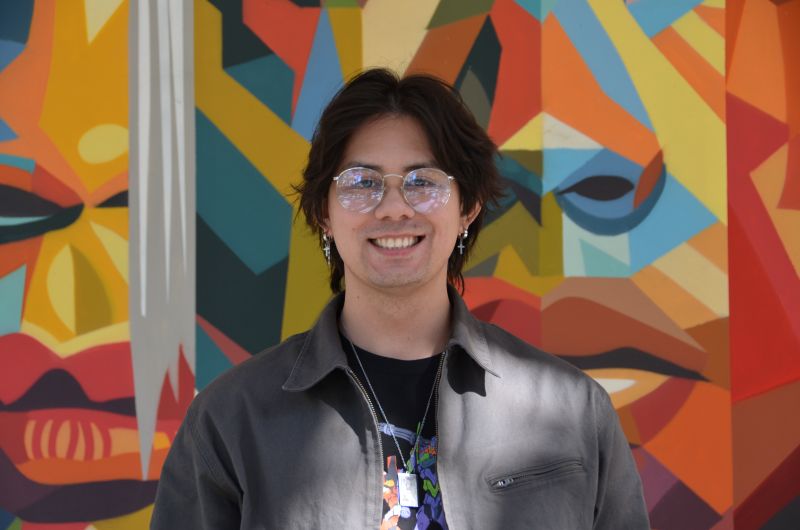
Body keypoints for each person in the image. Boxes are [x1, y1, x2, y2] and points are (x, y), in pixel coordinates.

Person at [151, 68, 650, 529]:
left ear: (468, 207)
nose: (393, 209)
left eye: (423, 182)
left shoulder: (573, 411)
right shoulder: (231, 420)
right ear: (324, 213)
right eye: (362, 183)